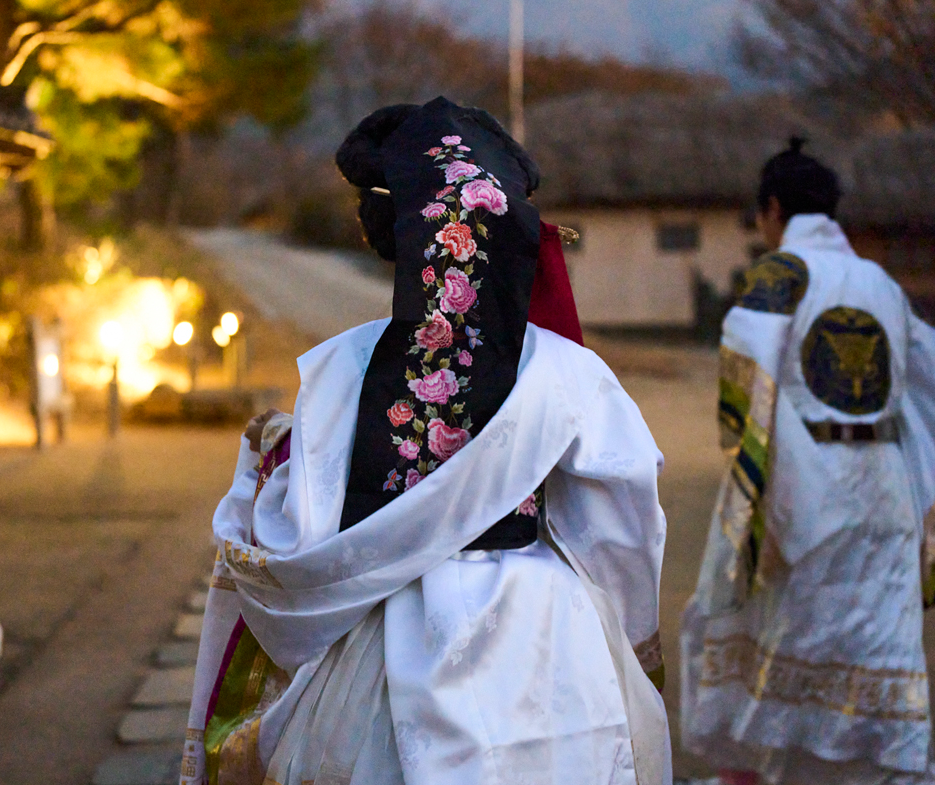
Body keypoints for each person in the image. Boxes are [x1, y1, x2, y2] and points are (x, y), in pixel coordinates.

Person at [180, 97, 673, 785]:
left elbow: (297, 538)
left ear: (386, 238)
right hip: (547, 651)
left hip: (379, 656)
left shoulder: (335, 373)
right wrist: (629, 642)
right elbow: (624, 530)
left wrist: (275, 470)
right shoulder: (569, 371)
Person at [679, 138, 935, 785]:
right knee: (878, 640)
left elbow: (745, 366)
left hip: (806, 484)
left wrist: (765, 480)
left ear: (772, 208)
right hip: (886, 486)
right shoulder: (881, 282)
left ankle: (779, 768)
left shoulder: (780, 276)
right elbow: (933, 373)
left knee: (793, 637)